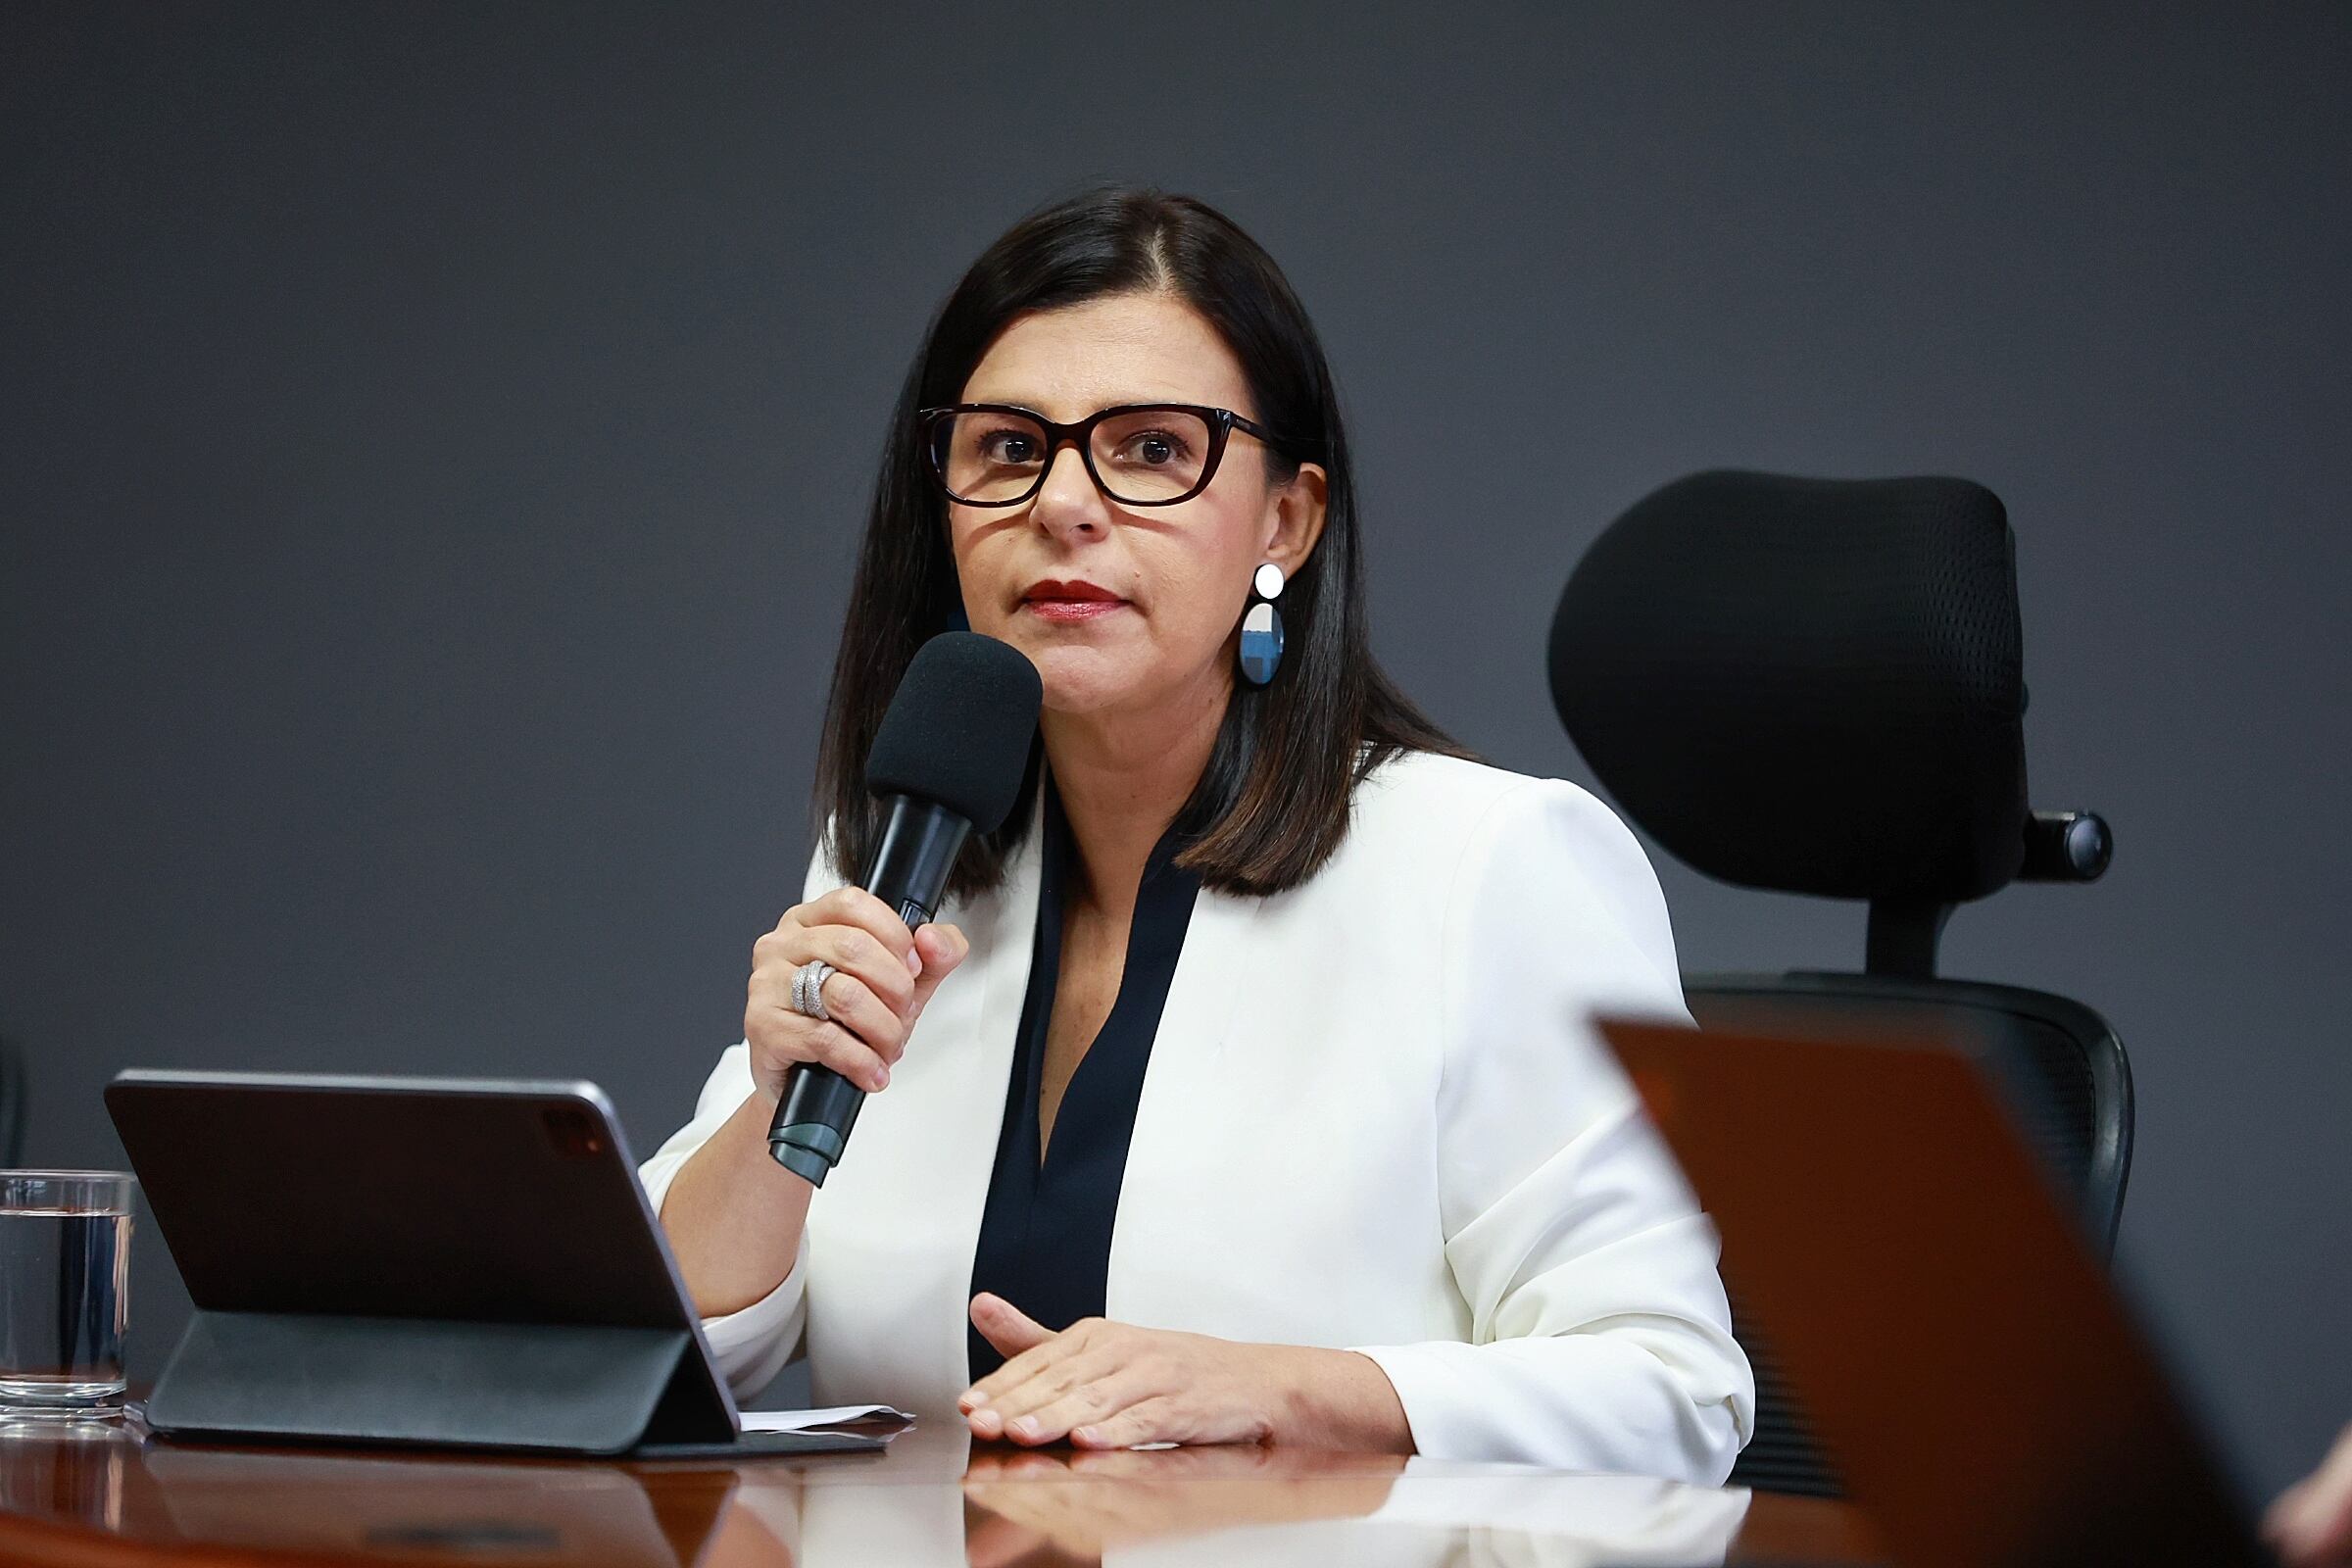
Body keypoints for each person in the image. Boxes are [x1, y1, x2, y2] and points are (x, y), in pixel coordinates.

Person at [641, 187, 1753, 1481]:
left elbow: (1674, 1395)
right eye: (1008, 449)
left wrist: (1284, 1391)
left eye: (1154, 449)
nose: (1063, 503)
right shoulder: (904, 860)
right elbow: (680, 1345)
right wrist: (779, 1098)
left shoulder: (1490, 865)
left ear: (1287, 519)